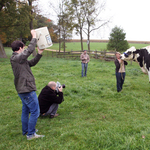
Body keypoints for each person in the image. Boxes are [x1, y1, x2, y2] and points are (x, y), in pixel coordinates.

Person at [10, 30, 45, 140]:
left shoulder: (19, 59)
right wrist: (34, 37)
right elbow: (29, 50)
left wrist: (39, 53)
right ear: (20, 48)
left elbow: (32, 63)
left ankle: (26, 131)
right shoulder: (17, 58)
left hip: (23, 89)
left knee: (26, 110)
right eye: (23, 48)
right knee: (35, 111)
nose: (24, 49)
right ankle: (31, 134)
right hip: (26, 89)